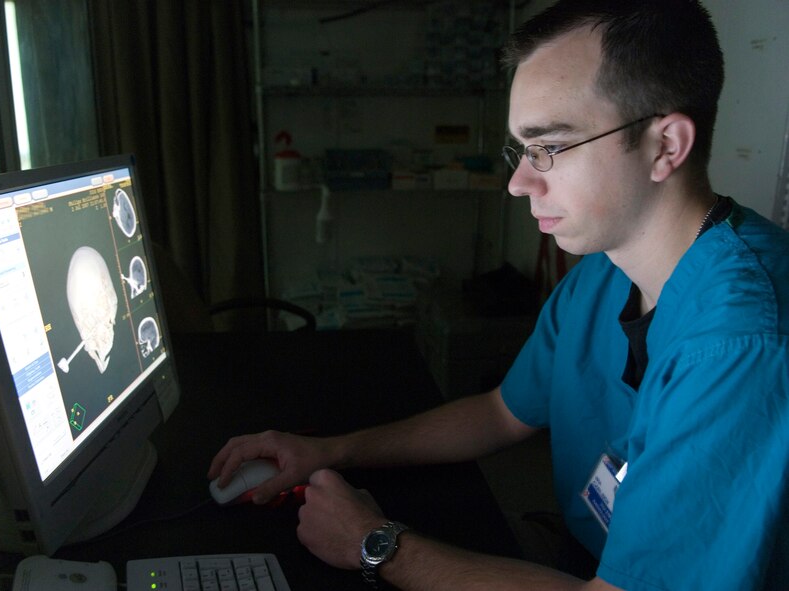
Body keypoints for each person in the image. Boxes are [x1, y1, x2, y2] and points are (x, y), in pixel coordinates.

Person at [208, 1, 789, 589]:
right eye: (522, 149)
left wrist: (373, 543)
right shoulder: (603, 271)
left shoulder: (740, 345)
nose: (518, 182)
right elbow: (500, 412)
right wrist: (330, 452)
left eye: (550, 148)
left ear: (665, 146)